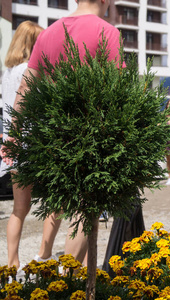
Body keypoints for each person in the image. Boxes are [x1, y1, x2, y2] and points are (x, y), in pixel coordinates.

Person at [2, 0, 123, 265]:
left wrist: (13, 134)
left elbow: (26, 87)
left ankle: (78, 279)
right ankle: (67, 280)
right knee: (84, 211)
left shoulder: (50, 32)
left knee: (70, 208)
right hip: (92, 134)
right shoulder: (108, 32)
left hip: (54, 137)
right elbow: (117, 89)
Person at [1, 21, 63, 270]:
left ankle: (12, 262)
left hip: (14, 144)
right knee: (55, 202)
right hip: (37, 142)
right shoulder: (32, 70)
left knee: (19, 208)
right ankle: (44, 254)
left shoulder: (7, 72)